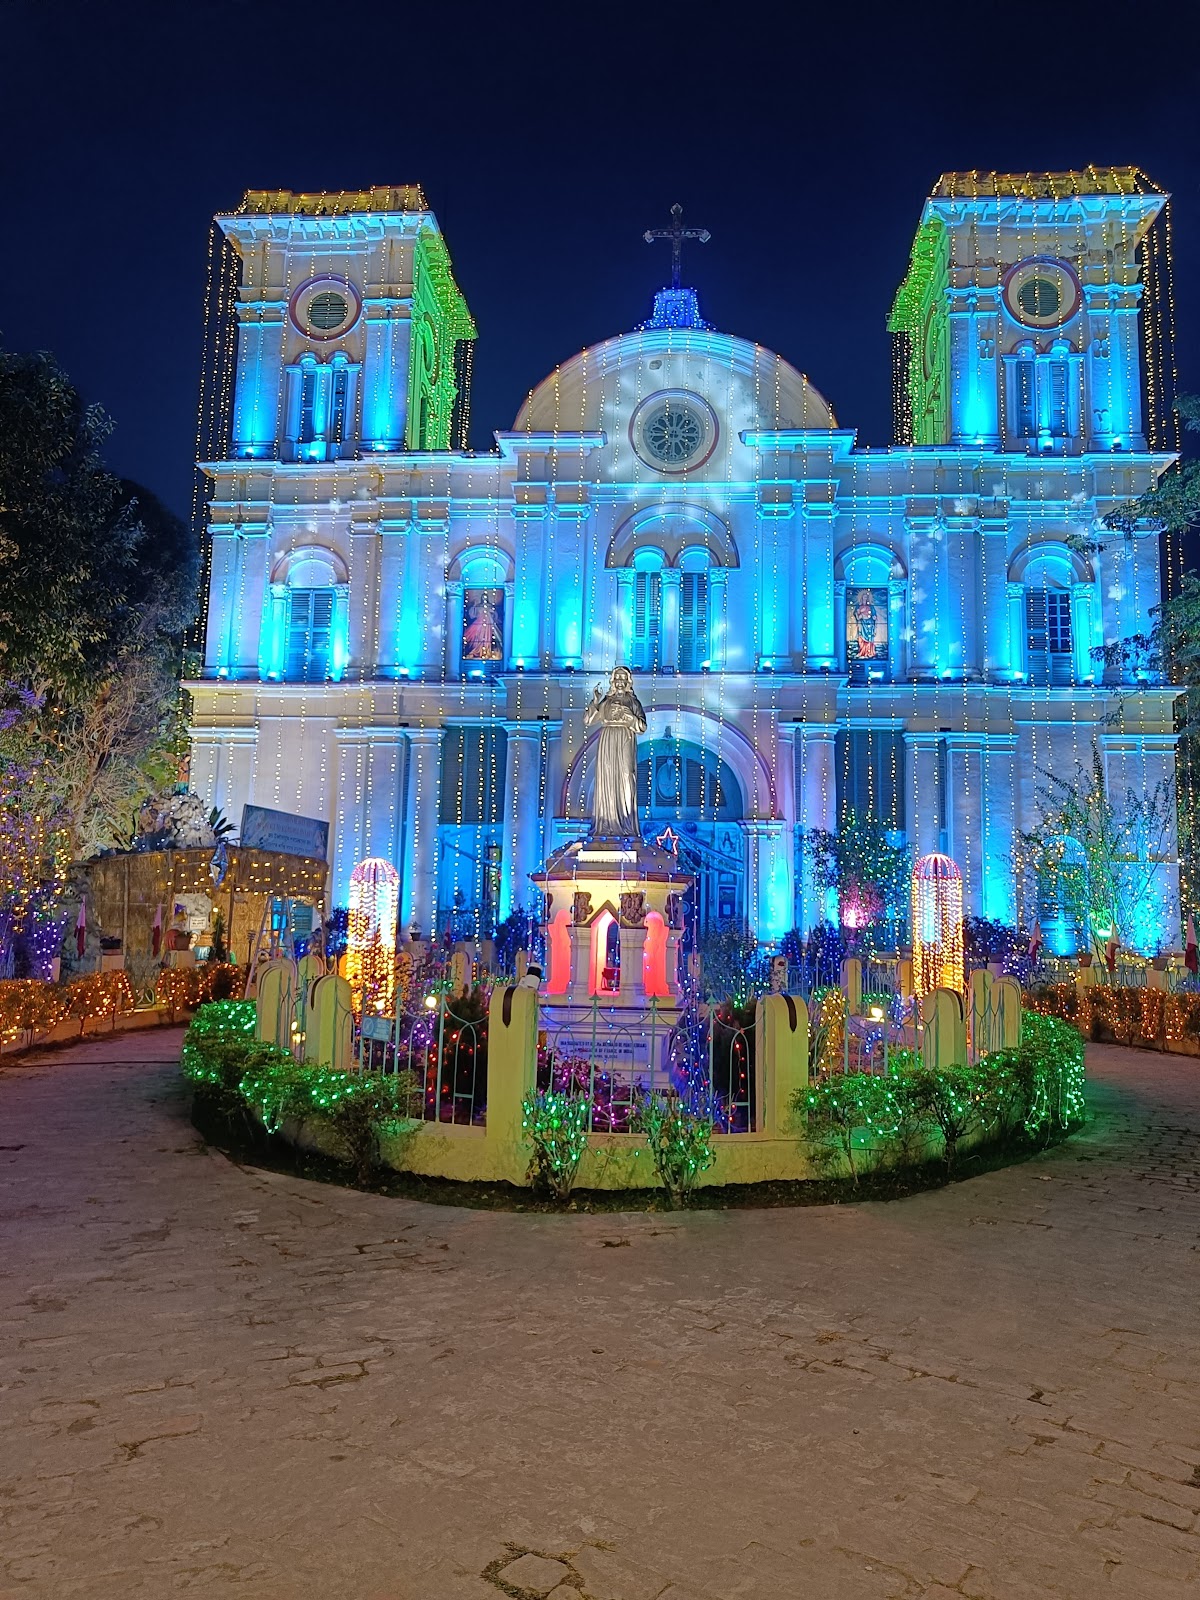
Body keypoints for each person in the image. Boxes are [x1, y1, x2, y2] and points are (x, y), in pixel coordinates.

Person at [584, 666, 647, 838]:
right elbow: (589, 720)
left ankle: (626, 824)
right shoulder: (606, 701)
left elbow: (642, 727)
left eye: (623, 678)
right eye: (617, 677)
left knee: (627, 777)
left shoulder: (633, 702)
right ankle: (606, 823)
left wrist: (629, 716)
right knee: (608, 777)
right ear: (613, 680)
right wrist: (595, 701)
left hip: (625, 737)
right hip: (607, 738)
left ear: (628, 681)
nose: (620, 681)